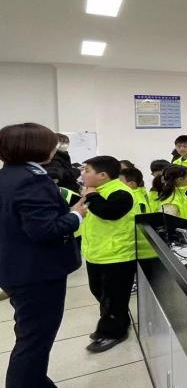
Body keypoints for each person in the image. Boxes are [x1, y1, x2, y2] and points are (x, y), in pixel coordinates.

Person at [0, 123, 86, 388]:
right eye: (52, 144)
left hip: (16, 266)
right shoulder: (32, 180)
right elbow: (44, 230)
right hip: (37, 273)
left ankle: (36, 380)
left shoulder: (8, 175)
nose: (55, 149)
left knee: (31, 334)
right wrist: (76, 215)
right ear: (36, 147)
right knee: (34, 340)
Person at [81, 155, 140, 353]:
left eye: (87, 171)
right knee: (101, 292)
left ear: (103, 175)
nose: (83, 174)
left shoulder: (121, 192)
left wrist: (91, 196)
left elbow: (109, 213)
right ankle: (115, 322)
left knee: (114, 298)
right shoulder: (98, 191)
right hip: (98, 253)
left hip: (117, 256)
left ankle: (113, 332)